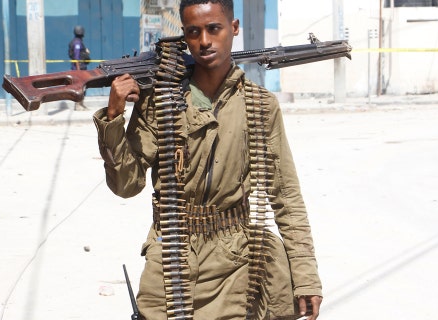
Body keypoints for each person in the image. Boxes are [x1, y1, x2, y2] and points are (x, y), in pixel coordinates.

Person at [92, 1, 323, 319]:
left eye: (214, 28)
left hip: (239, 259)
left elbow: (286, 197)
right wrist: (114, 117)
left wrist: (306, 274)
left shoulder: (259, 104)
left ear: (234, 28)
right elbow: (126, 185)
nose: (204, 41)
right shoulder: (160, 102)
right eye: (193, 32)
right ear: (185, 37)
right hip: (174, 252)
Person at [68, 25, 90, 110]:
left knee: (83, 87)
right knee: (80, 87)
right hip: (79, 69)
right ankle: (78, 105)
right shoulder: (77, 43)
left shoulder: (77, 41)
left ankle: (81, 104)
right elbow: (77, 57)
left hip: (80, 68)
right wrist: (78, 70)